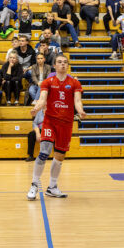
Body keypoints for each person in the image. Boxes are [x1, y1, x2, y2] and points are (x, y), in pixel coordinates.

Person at [27, 54, 86, 200]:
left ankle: (52, 187)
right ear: (54, 65)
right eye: (59, 62)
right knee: (44, 151)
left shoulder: (74, 83)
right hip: (50, 121)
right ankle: (34, 184)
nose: (63, 64)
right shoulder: (48, 82)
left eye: (65, 62)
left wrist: (81, 111)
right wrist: (36, 109)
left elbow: (77, 101)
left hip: (66, 124)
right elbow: (42, 100)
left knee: (59, 156)